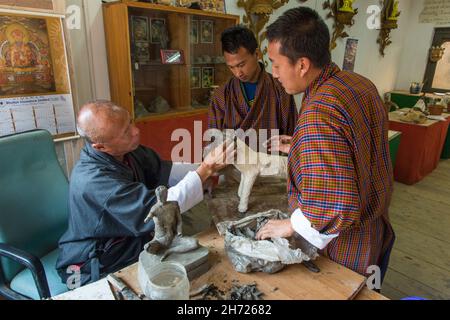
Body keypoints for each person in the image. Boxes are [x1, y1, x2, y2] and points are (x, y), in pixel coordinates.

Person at [256, 7, 395, 282]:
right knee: (372, 286)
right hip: (375, 227)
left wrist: (291, 224)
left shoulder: (318, 114)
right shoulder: (357, 84)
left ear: (302, 65)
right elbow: (354, 143)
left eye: (276, 63)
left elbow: (333, 206)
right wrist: (300, 144)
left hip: (346, 247)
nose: (274, 73)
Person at [56, 100, 233, 286]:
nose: (135, 131)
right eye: (125, 132)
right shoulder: (94, 181)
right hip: (92, 263)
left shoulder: (126, 152)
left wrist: (211, 169)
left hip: (132, 241)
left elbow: (167, 171)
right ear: (101, 147)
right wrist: (204, 170)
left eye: (130, 122)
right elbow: (160, 210)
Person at [208, 25, 298, 138]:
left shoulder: (280, 88)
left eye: (241, 65)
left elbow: (291, 135)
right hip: (235, 155)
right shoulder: (221, 95)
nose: (238, 73)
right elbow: (213, 141)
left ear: (256, 54)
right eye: (231, 67)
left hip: (271, 155)